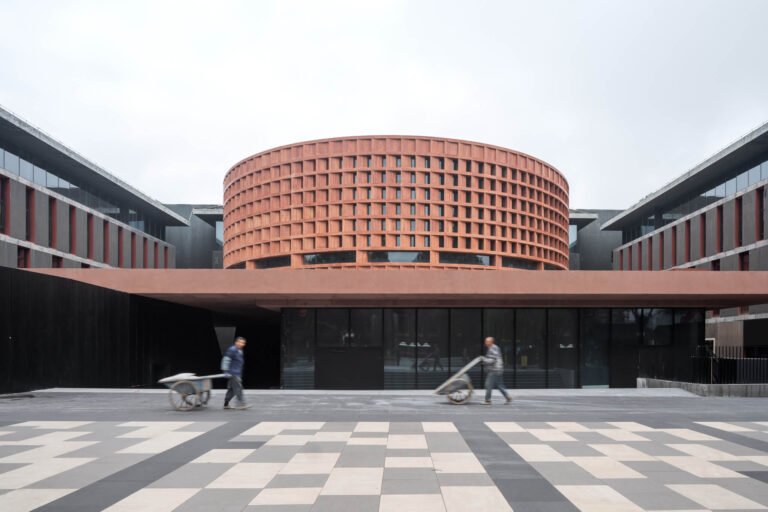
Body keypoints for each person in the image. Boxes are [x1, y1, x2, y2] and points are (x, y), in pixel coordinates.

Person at [221, 336, 251, 410]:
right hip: (233, 373)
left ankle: (226, 404)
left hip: (237, 373)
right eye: (240, 342)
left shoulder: (239, 350)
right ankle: (241, 404)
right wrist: (225, 371)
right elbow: (226, 360)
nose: (242, 344)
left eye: (243, 343)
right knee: (238, 388)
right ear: (236, 342)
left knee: (231, 390)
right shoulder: (232, 350)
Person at [482, 336, 511, 405]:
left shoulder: (493, 348)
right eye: (485, 341)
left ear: (491, 342)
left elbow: (493, 359)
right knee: (499, 385)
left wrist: (484, 360)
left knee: (488, 385)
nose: (485, 342)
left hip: (494, 370)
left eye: (487, 341)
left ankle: (487, 400)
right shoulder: (492, 348)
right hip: (497, 369)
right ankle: (507, 396)